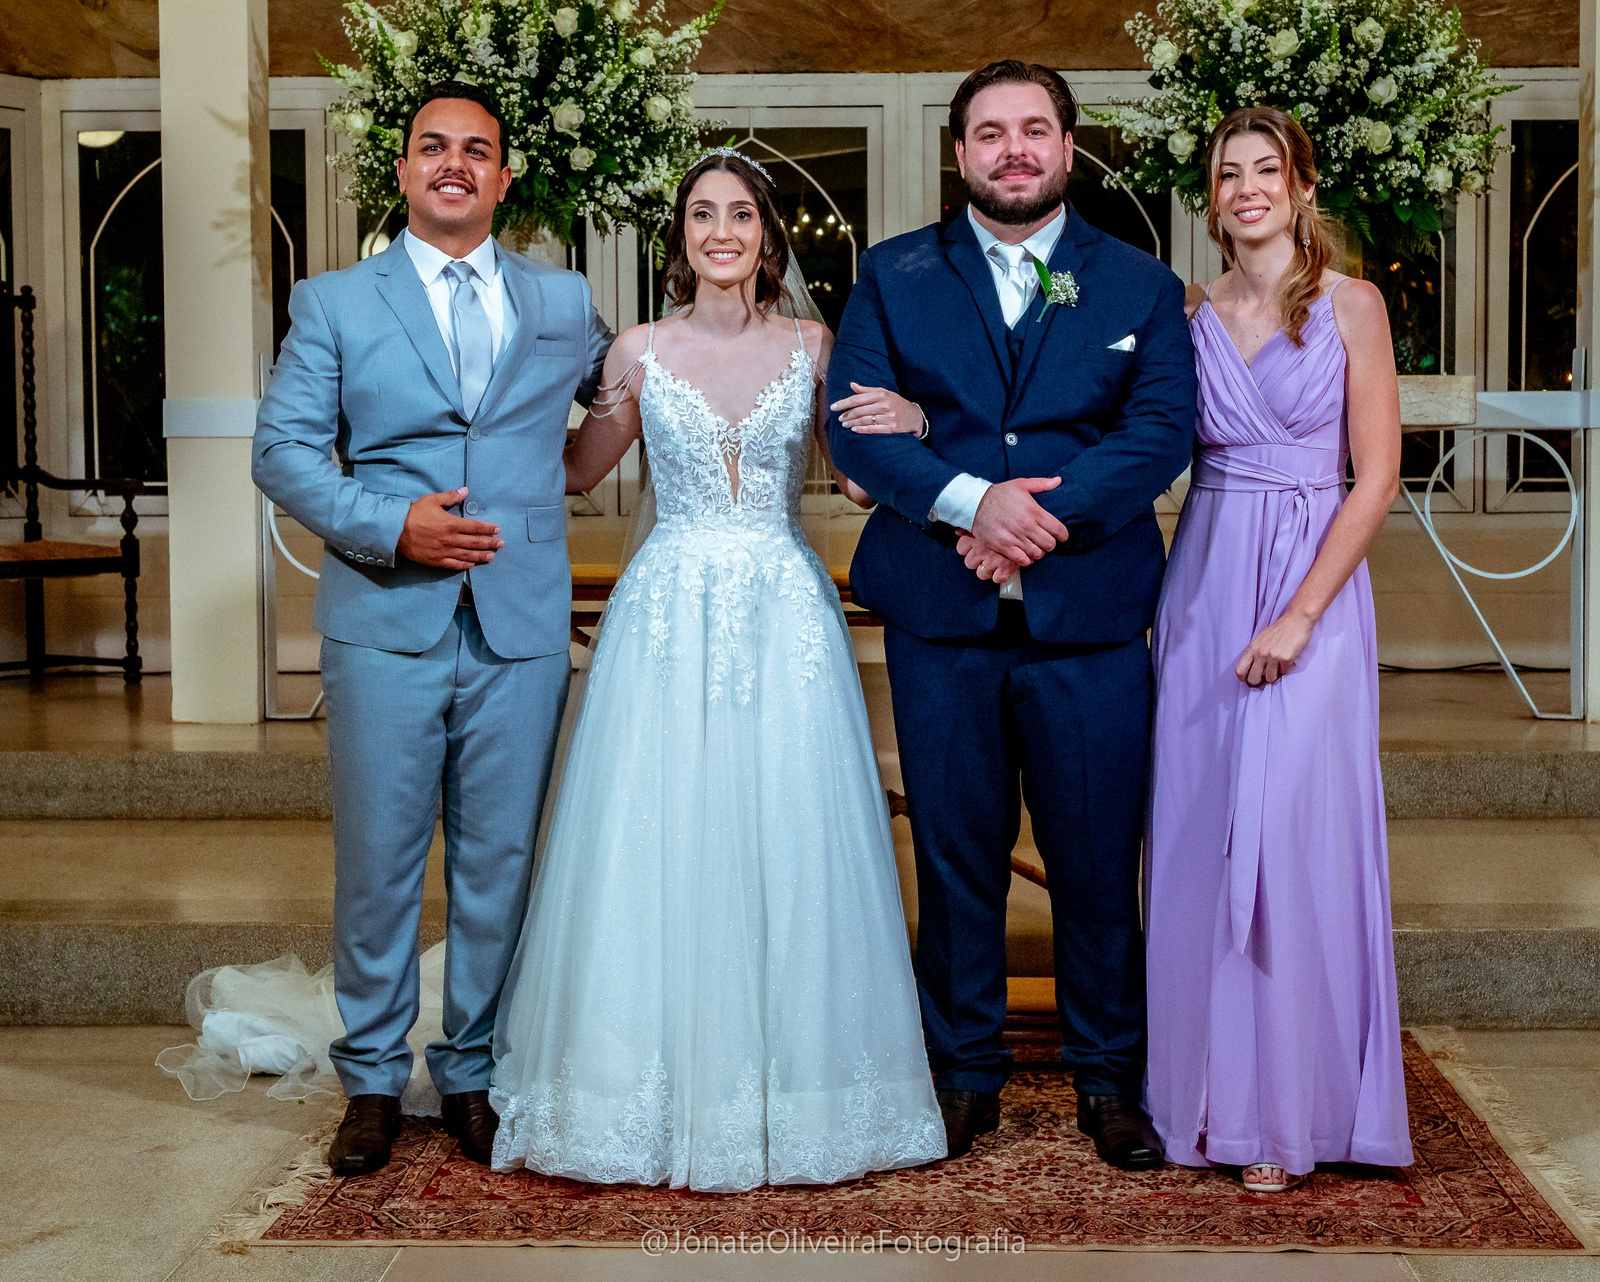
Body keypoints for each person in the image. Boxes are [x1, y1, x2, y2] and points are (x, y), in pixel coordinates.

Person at [484, 149, 947, 1191]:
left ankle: (805, 1091)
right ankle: (630, 1090)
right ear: (681, 236)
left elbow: (862, 480)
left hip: (784, 614)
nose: (723, 232)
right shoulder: (638, 351)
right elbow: (576, 470)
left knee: (791, 827)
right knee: (656, 830)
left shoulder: (816, 346)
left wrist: (916, 423)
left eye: (741, 214)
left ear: (768, 234)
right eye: (703, 214)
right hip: (665, 615)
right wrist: (492, 421)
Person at [826, 61, 1197, 1169]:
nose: (1015, 149)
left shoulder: (1138, 283)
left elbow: (1159, 430)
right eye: (991, 132)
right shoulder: (893, 273)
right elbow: (854, 429)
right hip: (942, 620)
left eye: (1036, 129)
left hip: (1091, 623)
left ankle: (1110, 1079)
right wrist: (966, 501)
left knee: (1097, 862)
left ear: (1069, 148)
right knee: (955, 858)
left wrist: (1032, 518)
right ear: (960, 155)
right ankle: (961, 1075)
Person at [250, 80, 613, 1176]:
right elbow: (283, 453)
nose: (454, 163)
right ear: (405, 170)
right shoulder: (333, 302)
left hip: (520, 623)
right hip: (383, 619)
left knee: (501, 860)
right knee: (379, 862)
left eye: (477, 150)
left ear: (504, 178)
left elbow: (644, 387)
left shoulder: (564, 302)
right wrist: (390, 524)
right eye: (433, 147)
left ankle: (472, 1072)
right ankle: (369, 1079)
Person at [1142, 106, 1411, 1193]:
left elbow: (1376, 476)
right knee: (1198, 832)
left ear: (1302, 186)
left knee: (1293, 836)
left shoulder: (1354, 305)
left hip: (1314, 584)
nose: (1247, 187)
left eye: (1267, 169)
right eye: (1227, 173)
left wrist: (1301, 614)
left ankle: (1291, 1108)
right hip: (1207, 578)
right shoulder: (1188, 311)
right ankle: (1204, 1097)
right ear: (1211, 199)